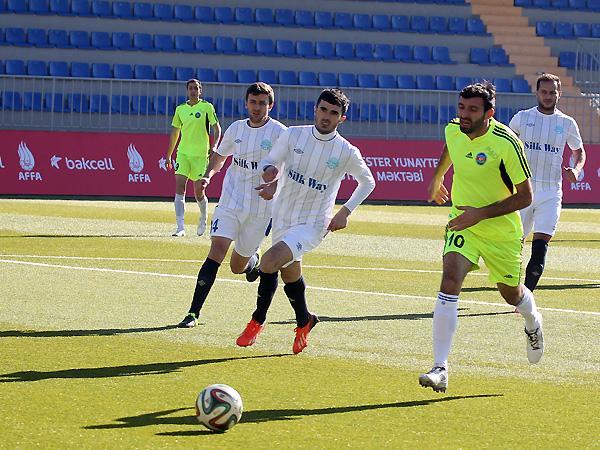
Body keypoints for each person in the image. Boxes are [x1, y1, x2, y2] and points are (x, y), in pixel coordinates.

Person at [420, 82, 544, 393]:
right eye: (462, 107)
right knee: (450, 280)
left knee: (511, 295)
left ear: (489, 113)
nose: (464, 114)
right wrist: (437, 176)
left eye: (473, 110)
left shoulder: (507, 142)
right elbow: (450, 147)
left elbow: (526, 197)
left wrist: (481, 213)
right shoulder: (454, 128)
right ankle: (440, 367)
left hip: (501, 231)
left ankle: (532, 321)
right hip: (463, 222)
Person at [235, 88, 376, 354]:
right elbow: (269, 161)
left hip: (313, 223)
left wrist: (345, 211)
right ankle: (305, 320)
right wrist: (269, 172)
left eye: (333, 113)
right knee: (290, 273)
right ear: (315, 109)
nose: (326, 116)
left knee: (268, 261)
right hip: (283, 216)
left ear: (342, 118)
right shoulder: (293, 135)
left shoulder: (346, 151)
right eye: (323, 109)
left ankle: (257, 320)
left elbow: (368, 182)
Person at [177, 82, 287, 328]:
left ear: (270, 106)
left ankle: (252, 262)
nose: (257, 107)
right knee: (217, 249)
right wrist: (208, 175)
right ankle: (193, 313)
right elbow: (220, 156)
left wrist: (275, 185)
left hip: (260, 209)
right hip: (231, 201)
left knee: (237, 266)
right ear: (246, 103)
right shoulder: (236, 128)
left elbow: (292, 169)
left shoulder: (280, 133)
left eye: (262, 103)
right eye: (253, 102)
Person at [509, 73, 586, 292]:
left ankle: (525, 298)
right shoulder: (522, 118)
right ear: (537, 93)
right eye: (544, 92)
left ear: (559, 94)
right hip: (522, 191)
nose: (548, 96)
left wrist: (576, 169)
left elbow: (579, 151)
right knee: (513, 245)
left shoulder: (566, 123)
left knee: (539, 250)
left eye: (552, 92)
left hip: (551, 192)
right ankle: (512, 287)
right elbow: (506, 146)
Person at [166, 78, 221, 237]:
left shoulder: (206, 107)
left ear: (200, 91)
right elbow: (175, 133)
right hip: (183, 154)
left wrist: (214, 146)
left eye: (196, 88)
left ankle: (203, 217)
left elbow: (217, 129)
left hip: (200, 155)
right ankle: (180, 227)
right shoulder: (180, 109)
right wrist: (169, 155)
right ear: (187, 91)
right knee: (179, 187)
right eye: (190, 88)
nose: (193, 91)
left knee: (199, 192)